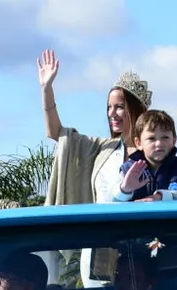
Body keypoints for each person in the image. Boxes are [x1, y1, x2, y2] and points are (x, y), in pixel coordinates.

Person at [38, 49, 153, 204]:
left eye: (119, 107)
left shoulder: (155, 149)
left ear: (136, 109)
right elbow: (56, 133)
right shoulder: (101, 148)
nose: (112, 113)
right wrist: (47, 89)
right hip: (100, 226)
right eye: (109, 107)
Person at [113, 110, 177, 202]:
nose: (159, 143)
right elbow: (114, 200)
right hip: (138, 217)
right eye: (151, 138)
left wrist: (160, 197)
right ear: (138, 143)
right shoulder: (129, 169)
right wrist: (125, 190)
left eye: (165, 137)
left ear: (174, 141)